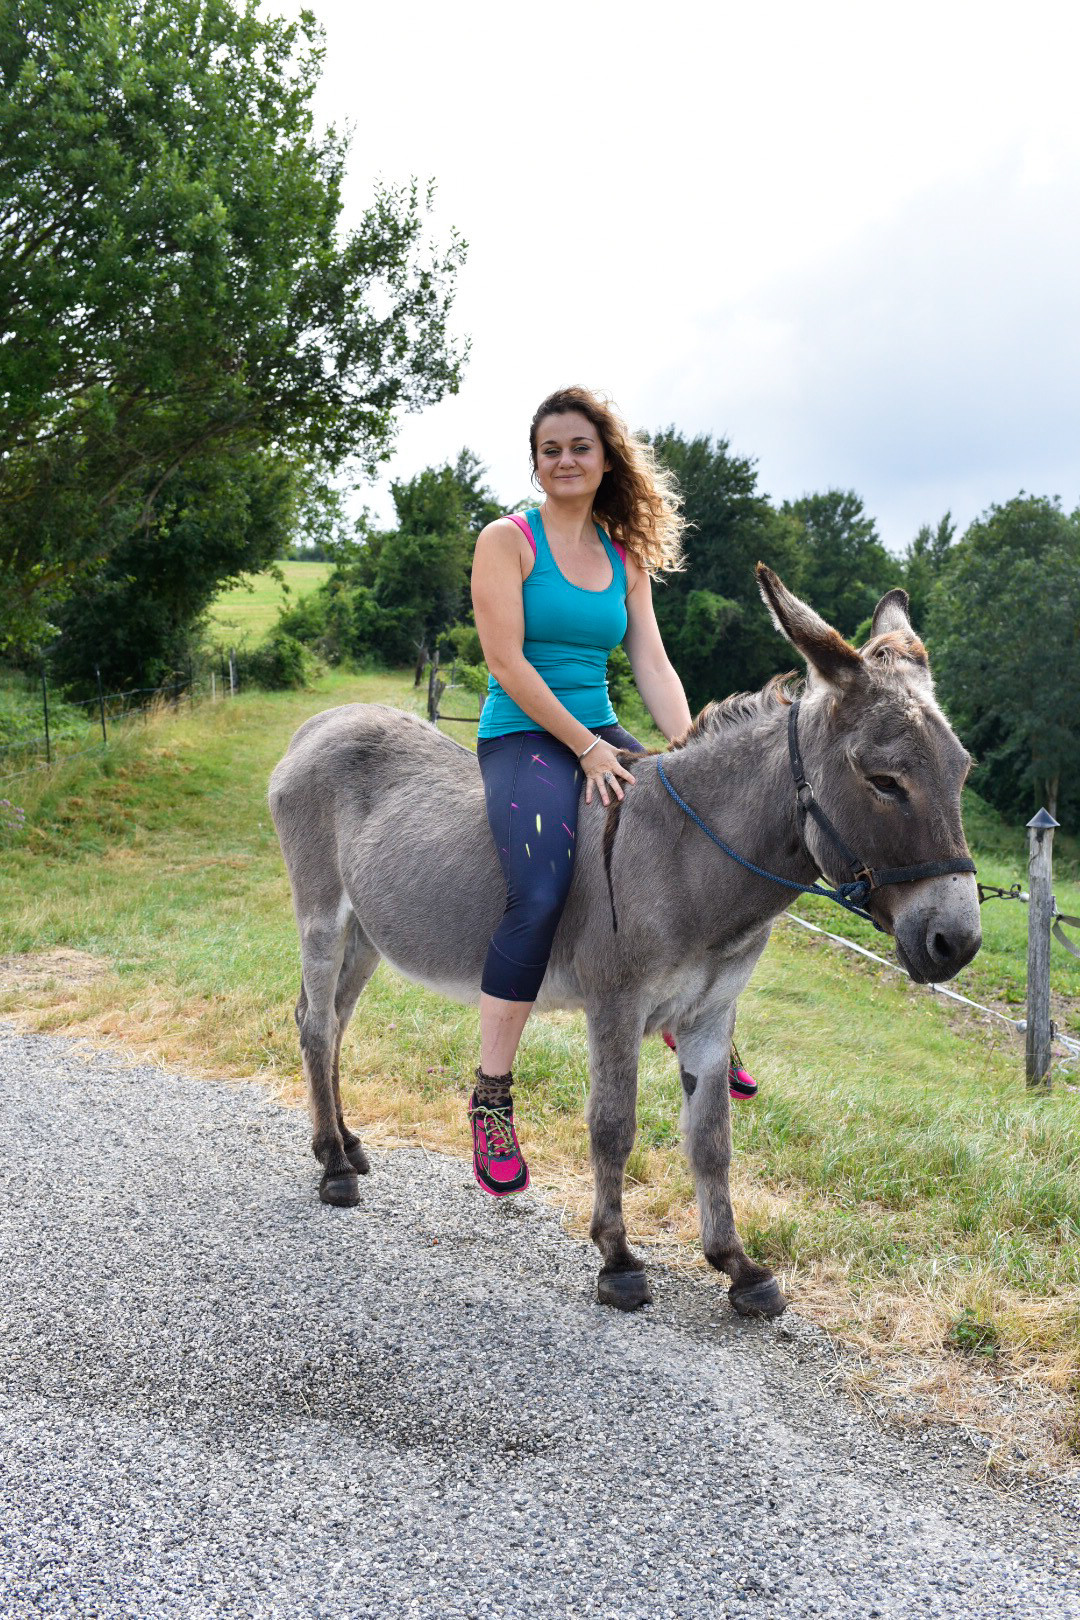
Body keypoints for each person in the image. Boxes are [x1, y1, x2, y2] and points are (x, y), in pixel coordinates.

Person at [468, 386, 753, 1199]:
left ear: (604, 460)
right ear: (535, 460)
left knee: (696, 845)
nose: (564, 460)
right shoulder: (507, 540)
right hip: (524, 736)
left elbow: (651, 663)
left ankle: (689, 1021)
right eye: (550, 448)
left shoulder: (622, 554)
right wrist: (587, 747)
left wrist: (692, 751)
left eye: (579, 448)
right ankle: (491, 1096)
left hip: (601, 731)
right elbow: (509, 665)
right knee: (542, 889)